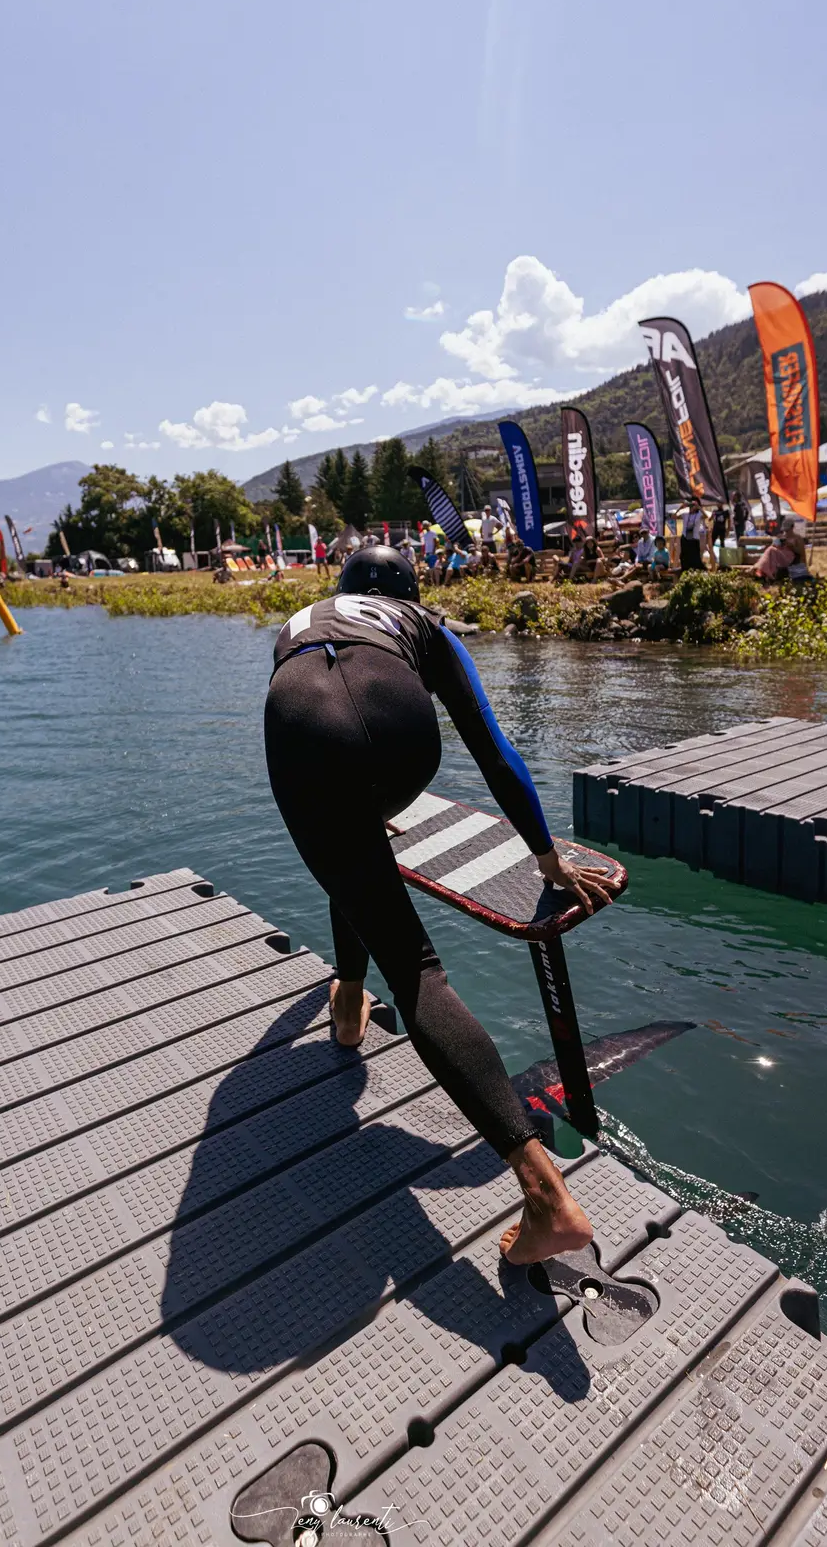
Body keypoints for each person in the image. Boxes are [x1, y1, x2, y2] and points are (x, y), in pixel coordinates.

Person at [264, 545, 612, 1263]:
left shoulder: (303, 618)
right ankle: (350, 1001)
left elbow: (325, 690)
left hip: (304, 725)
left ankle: (549, 1199)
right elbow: (493, 748)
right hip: (403, 739)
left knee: (401, 949)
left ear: (342, 587)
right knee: (368, 870)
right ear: (411, 592)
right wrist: (546, 854)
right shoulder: (425, 624)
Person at [679, 497, 708, 572]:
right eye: (691, 504)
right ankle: (685, 571)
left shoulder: (698, 514)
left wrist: (698, 506)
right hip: (685, 538)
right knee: (684, 557)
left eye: (693, 505)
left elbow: (706, 516)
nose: (692, 506)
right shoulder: (685, 514)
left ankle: (697, 572)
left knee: (695, 558)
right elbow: (674, 516)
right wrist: (681, 507)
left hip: (694, 539)